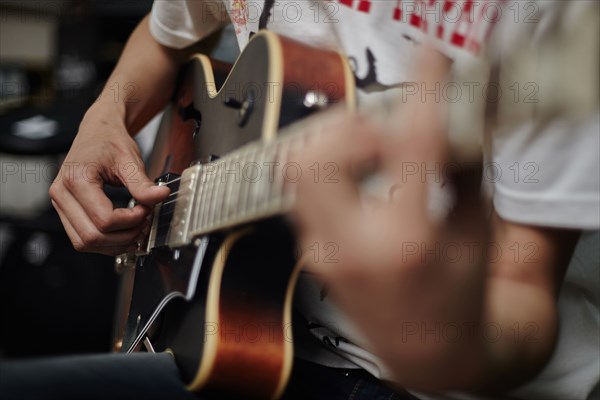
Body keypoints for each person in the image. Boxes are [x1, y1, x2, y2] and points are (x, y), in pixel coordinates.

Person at [3, 0, 593, 399]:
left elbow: (524, 296)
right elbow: (168, 32)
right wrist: (106, 114)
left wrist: (439, 350)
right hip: (227, 326)